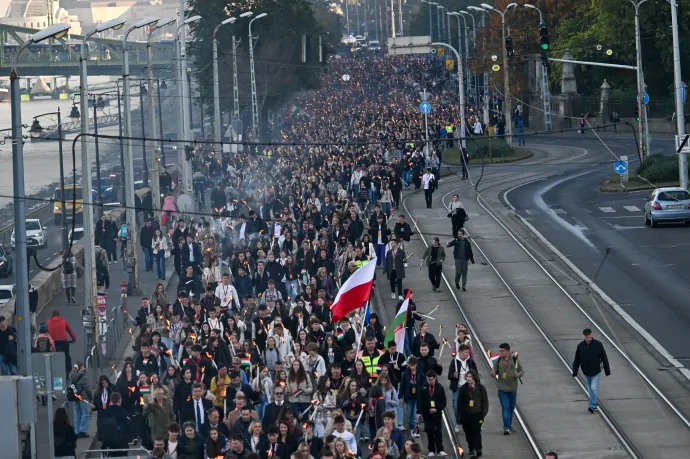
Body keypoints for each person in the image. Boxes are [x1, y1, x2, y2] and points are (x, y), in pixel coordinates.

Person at [572, 328, 611, 413]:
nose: (587, 337)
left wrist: (607, 370)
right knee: (590, 389)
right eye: (586, 335)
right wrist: (575, 371)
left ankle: (592, 405)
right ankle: (594, 405)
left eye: (588, 335)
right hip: (586, 371)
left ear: (591, 335)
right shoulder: (580, 346)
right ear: (584, 336)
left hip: (596, 371)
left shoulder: (598, 344)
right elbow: (577, 359)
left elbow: (604, 358)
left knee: (593, 388)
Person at [490, 342, 524, 435]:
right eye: (500, 351)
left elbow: (521, 371)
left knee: (511, 408)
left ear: (508, 351)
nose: (500, 352)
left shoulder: (514, 360)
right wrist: (493, 373)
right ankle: (506, 427)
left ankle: (508, 425)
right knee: (505, 408)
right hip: (502, 389)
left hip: (513, 389)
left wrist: (518, 374)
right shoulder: (498, 360)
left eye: (502, 351)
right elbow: (494, 372)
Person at [457, 369, 488, 457]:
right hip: (466, 415)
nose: (468, 378)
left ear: (474, 377)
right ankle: (471, 447)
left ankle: (478, 448)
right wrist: (461, 414)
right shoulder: (463, 389)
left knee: (476, 431)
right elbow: (459, 403)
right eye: (467, 376)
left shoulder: (481, 388)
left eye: (470, 376)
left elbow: (485, 401)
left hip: (477, 414)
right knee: (468, 432)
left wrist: (483, 413)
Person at [417, 370, 446, 456]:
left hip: (437, 414)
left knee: (438, 431)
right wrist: (419, 412)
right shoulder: (423, 388)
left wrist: (437, 409)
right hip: (427, 413)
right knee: (429, 431)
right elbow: (420, 400)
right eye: (428, 379)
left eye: (431, 379)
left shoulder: (440, 388)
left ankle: (440, 449)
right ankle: (431, 450)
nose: (430, 381)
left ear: (435, 378)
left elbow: (443, 401)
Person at [68, 362, 93, 439]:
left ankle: (77, 431)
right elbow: (87, 389)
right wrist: (91, 398)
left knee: (77, 415)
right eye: (83, 367)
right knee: (85, 414)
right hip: (82, 398)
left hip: (75, 398)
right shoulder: (84, 378)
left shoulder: (71, 376)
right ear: (80, 368)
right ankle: (83, 431)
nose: (84, 368)